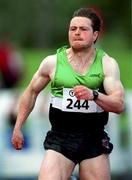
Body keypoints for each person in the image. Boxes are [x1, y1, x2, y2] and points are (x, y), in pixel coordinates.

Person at [11, 7, 125, 180]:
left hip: (93, 139)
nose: (77, 33)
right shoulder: (52, 63)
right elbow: (31, 92)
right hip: (60, 138)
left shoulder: (107, 64)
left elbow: (119, 105)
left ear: (95, 35)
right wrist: (18, 127)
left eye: (83, 29)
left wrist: (94, 95)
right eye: (73, 29)